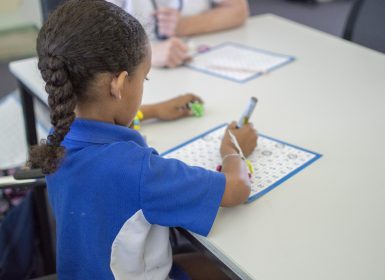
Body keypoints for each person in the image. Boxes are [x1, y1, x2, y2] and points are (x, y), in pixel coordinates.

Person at [29, 0, 258, 279]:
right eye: (144, 79)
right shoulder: (137, 170)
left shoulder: (58, 136)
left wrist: (153, 111)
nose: (144, 87)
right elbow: (236, 189)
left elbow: (97, 128)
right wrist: (232, 149)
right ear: (119, 84)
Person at [107, 0, 250, 67]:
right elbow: (90, 41)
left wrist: (183, 25)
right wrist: (145, 53)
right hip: (133, 75)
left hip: (193, 65)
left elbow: (238, 9)